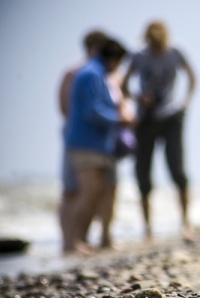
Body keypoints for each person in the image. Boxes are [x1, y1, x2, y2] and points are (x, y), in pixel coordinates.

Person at [122, 20, 196, 243]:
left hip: (171, 117)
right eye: (152, 45)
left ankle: (186, 223)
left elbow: (193, 78)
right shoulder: (138, 55)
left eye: (159, 45)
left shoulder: (176, 51)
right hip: (146, 119)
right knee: (143, 172)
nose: (156, 49)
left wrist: (185, 103)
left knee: (178, 171)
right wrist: (138, 98)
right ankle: (147, 230)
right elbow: (124, 85)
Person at [65, 38, 132, 254]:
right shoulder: (91, 74)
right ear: (113, 59)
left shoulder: (96, 73)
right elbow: (93, 111)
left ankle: (83, 241)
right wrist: (121, 119)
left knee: (99, 192)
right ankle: (74, 242)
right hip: (86, 144)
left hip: (100, 145)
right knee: (87, 193)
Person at [57, 30, 111, 252]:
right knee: (73, 191)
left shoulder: (96, 73)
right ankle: (69, 241)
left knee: (90, 191)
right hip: (79, 140)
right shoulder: (76, 72)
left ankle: (78, 239)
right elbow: (65, 108)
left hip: (90, 140)